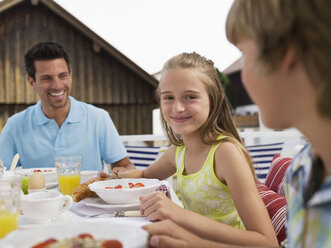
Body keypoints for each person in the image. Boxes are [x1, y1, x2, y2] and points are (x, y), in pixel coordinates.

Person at [143, 0, 331, 247]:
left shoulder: (229, 153)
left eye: (244, 55)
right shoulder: (305, 169)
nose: (242, 75)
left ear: (288, 56)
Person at [98, 52, 277, 246]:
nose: (178, 108)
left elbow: (267, 242)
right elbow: (145, 174)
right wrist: (111, 180)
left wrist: (180, 215)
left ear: (214, 100)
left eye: (190, 97)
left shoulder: (226, 153)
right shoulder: (179, 151)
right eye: (168, 98)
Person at [0, 41, 135, 172]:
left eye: (62, 76)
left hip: (88, 195)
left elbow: (127, 167)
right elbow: (2, 171)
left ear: (70, 75)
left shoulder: (98, 118)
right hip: (38, 195)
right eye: (47, 78)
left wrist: (119, 176)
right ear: (32, 82)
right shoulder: (15, 125)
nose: (57, 86)